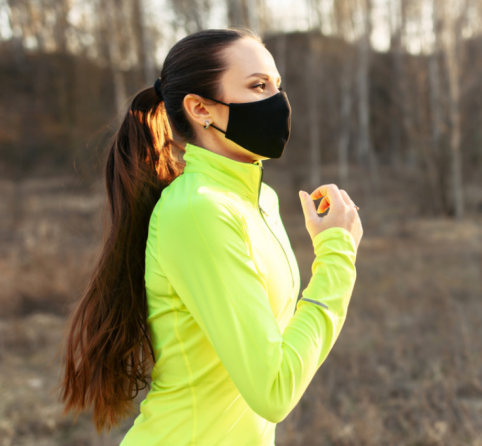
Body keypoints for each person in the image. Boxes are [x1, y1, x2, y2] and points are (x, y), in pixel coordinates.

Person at [57, 28, 363, 445]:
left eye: (277, 85)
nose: (278, 101)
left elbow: (272, 346)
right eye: (258, 86)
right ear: (201, 108)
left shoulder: (261, 201)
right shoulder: (199, 210)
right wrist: (335, 258)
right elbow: (273, 389)